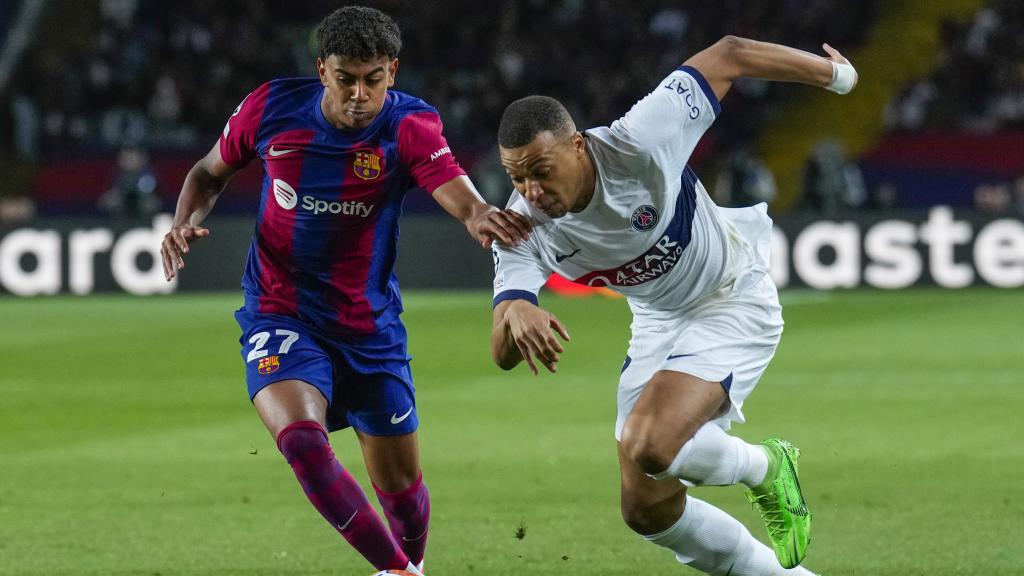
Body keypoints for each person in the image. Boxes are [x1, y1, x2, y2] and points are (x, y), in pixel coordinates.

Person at [160, 7, 530, 576]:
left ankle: (413, 562)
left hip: (368, 324)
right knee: (303, 443)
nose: (360, 94)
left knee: (402, 490)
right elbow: (208, 173)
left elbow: (451, 184)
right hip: (279, 309)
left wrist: (478, 214)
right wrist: (184, 220)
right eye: (346, 78)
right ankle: (396, 572)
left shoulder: (410, 125)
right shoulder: (271, 108)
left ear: (393, 72)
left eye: (374, 79)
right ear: (322, 70)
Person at [490, 36, 857, 575]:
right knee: (646, 509)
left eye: (540, 171)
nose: (531, 190)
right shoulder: (523, 224)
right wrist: (515, 310)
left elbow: (730, 54)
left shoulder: (639, 139)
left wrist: (838, 78)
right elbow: (501, 355)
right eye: (516, 176)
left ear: (577, 146)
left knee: (652, 445)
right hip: (658, 322)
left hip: (731, 295)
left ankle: (766, 466)